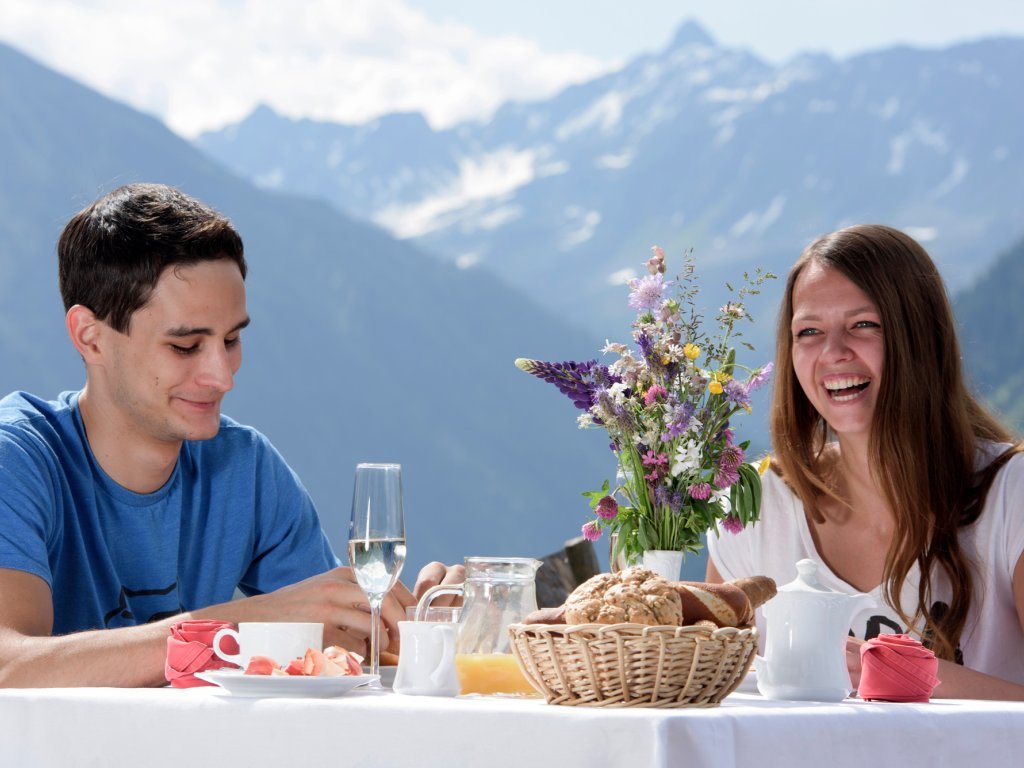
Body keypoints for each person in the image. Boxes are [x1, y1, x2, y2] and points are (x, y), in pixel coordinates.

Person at [0, 183, 461, 688]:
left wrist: (418, 626)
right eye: (185, 346)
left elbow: (337, 643)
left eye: (232, 339)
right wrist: (242, 624)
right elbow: (10, 664)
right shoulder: (18, 459)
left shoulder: (246, 466)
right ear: (90, 336)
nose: (222, 376)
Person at [706, 224, 1024, 699]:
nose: (833, 353)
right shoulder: (754, 505)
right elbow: (711, 700)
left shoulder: (1012, 494)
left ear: (921, 338)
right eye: (809, 331)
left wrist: (907, 676)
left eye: (863, 325)